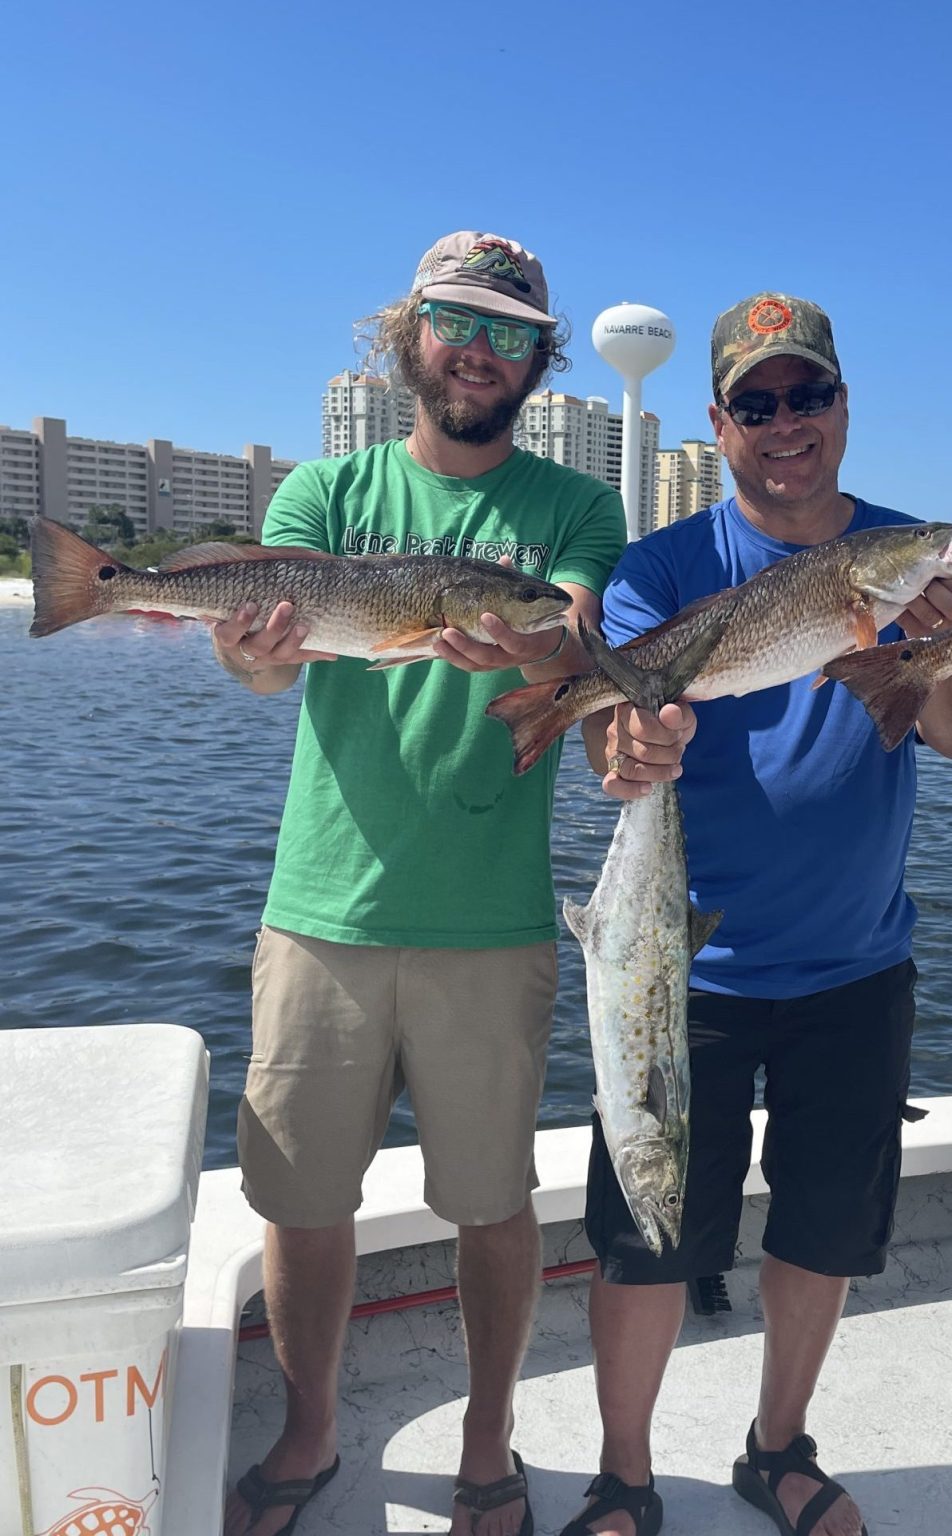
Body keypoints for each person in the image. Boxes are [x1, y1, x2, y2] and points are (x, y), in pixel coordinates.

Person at [218, 231, 626, 1536]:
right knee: (301, 1205)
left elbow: (571, 642)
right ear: (408, 338)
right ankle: (310, 1429)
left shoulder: (579, 507)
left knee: (492, 1206)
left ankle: (487, 1439)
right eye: (457, 322)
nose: (479, 351)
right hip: (319, 913)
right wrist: (248, 651)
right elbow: (267, 664)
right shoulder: (321, 493)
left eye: (510, 333)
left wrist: (521, 643)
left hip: (490, 922)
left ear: (540, 363)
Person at [558, 293, 952, 1536]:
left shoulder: (911, 560)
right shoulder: (662, 569)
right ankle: (623, 1475)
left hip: (856, 957)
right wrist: (628, 747)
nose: (786, 423)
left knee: (823, 1233)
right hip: (679, 963)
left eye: (808, 396)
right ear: (718, 421)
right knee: (644, 1237)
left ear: (843, 406)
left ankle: (777, 1448)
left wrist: (942, 653)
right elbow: (605, 737)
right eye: (758, 403)